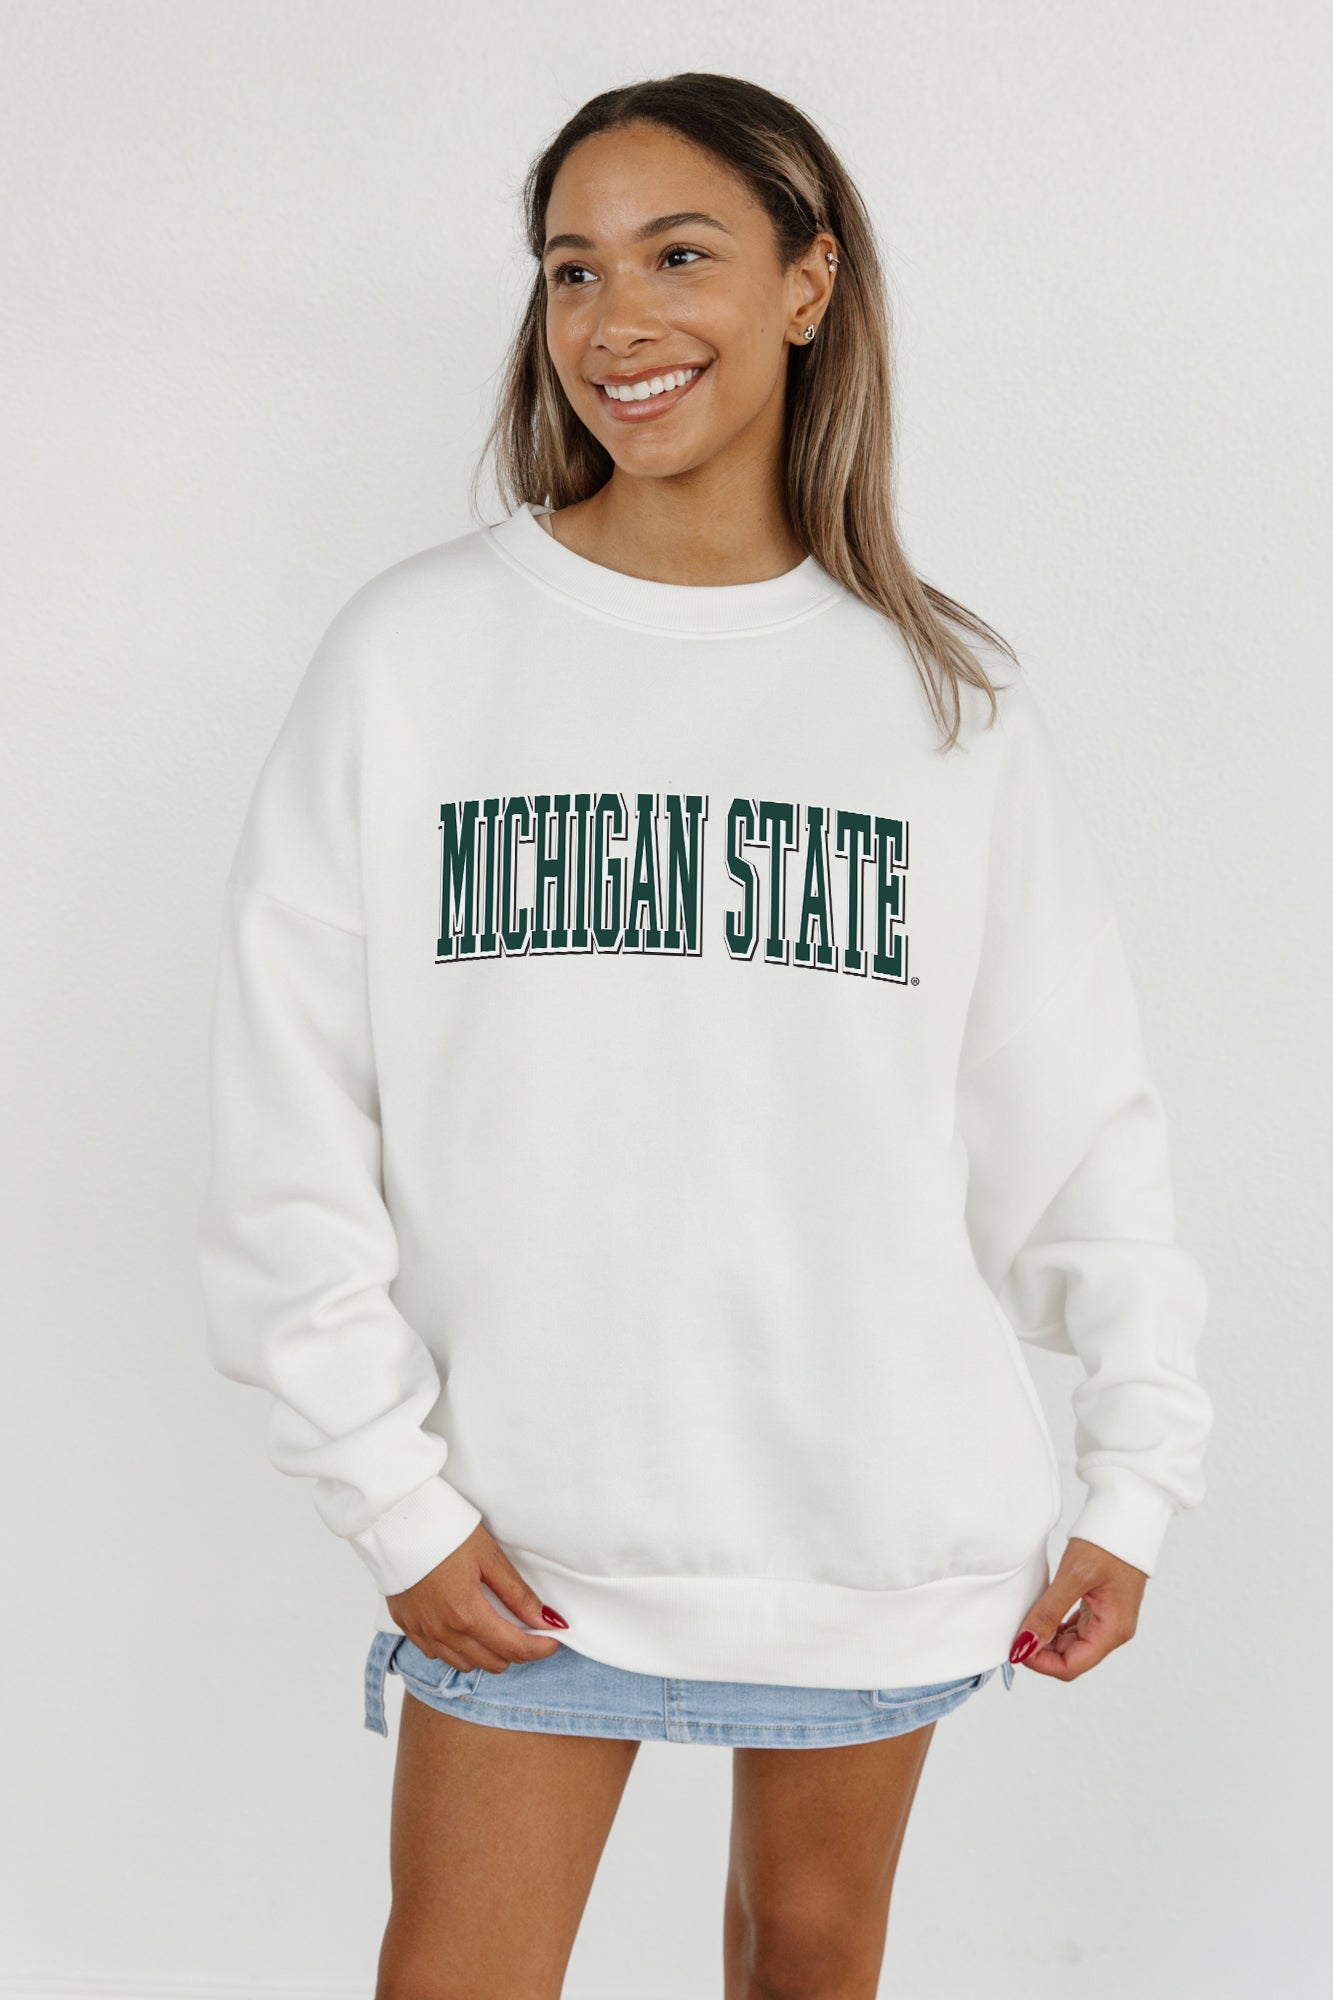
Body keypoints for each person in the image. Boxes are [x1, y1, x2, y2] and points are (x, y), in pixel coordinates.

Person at [197, 72, 1213, 1999]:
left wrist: (1134, 1472)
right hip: (524, 1531)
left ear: (807, 284)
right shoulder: (416, 657)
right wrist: (391, 1495)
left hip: (873, 1520)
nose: (614, 320)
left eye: (679, 257)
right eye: (571, 270)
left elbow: (1075, 1124)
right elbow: (288, 1123)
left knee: (809, 1958)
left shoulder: (941, 702)